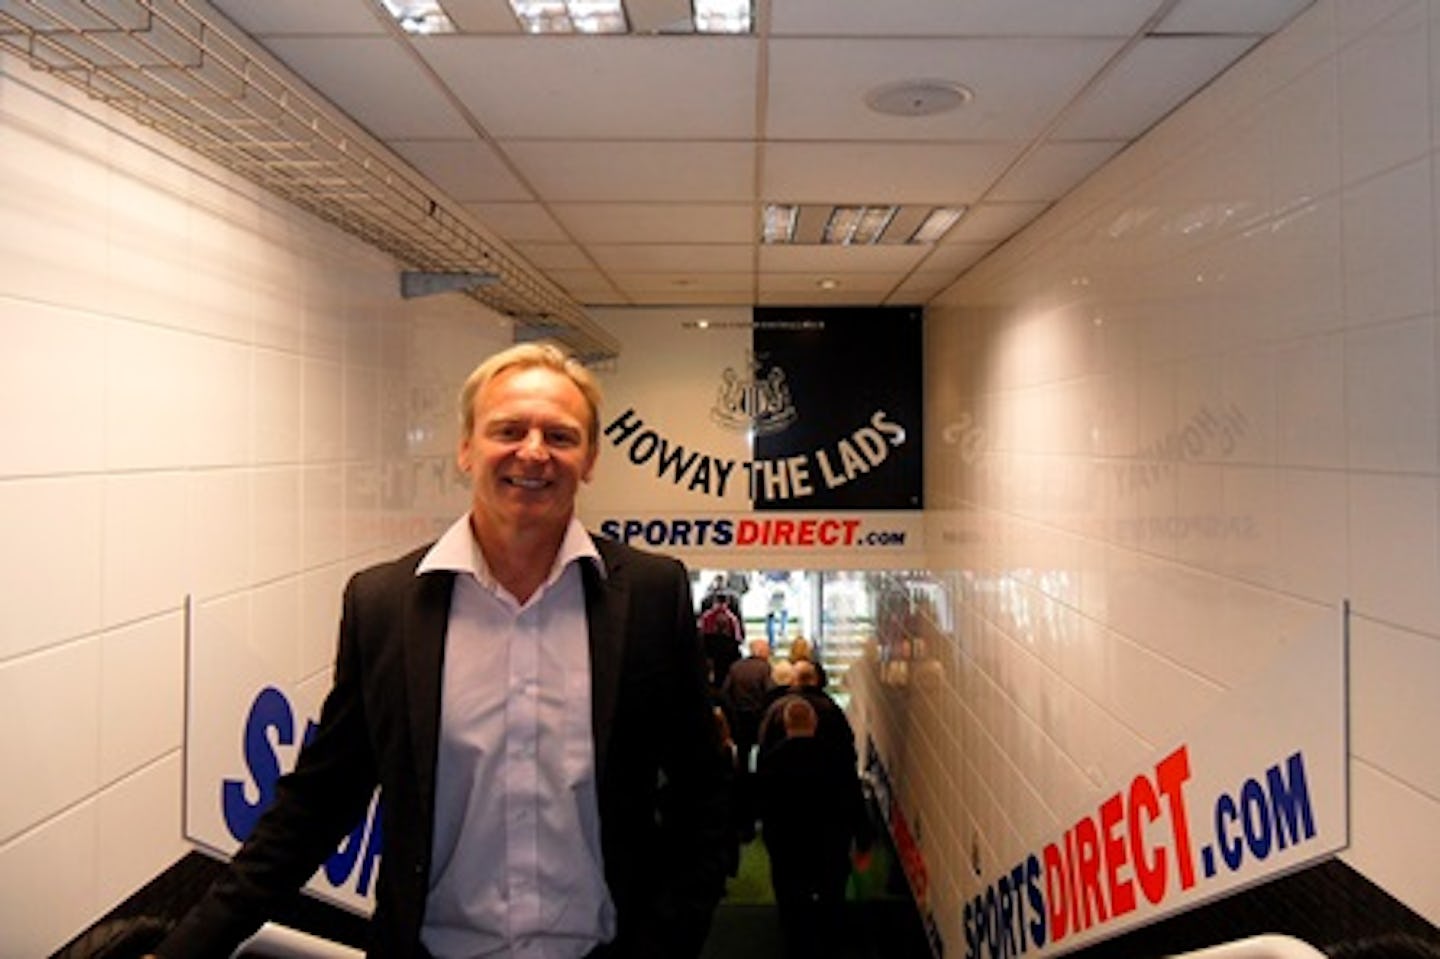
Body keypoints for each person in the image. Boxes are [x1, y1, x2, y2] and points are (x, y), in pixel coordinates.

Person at [150, 343, 731, 959]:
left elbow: (704, 788)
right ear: (465, 448)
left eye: (560, 436)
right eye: (508, 430)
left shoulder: (650, 593)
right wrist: (186, 949)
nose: (533, 452)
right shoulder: (384, 606)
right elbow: (320, 801)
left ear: (588, 459)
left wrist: (671, 936)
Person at [754, 697, 874, 959]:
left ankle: (796, 944)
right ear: (815, 723)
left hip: (786, 845)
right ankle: (829, 943)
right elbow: (853, 801)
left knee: (791, 901)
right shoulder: (837, 760)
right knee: (832, 897)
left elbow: (759, 803)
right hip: (830, 843)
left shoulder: (770, 761)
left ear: (785, 725)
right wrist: (863, 841)